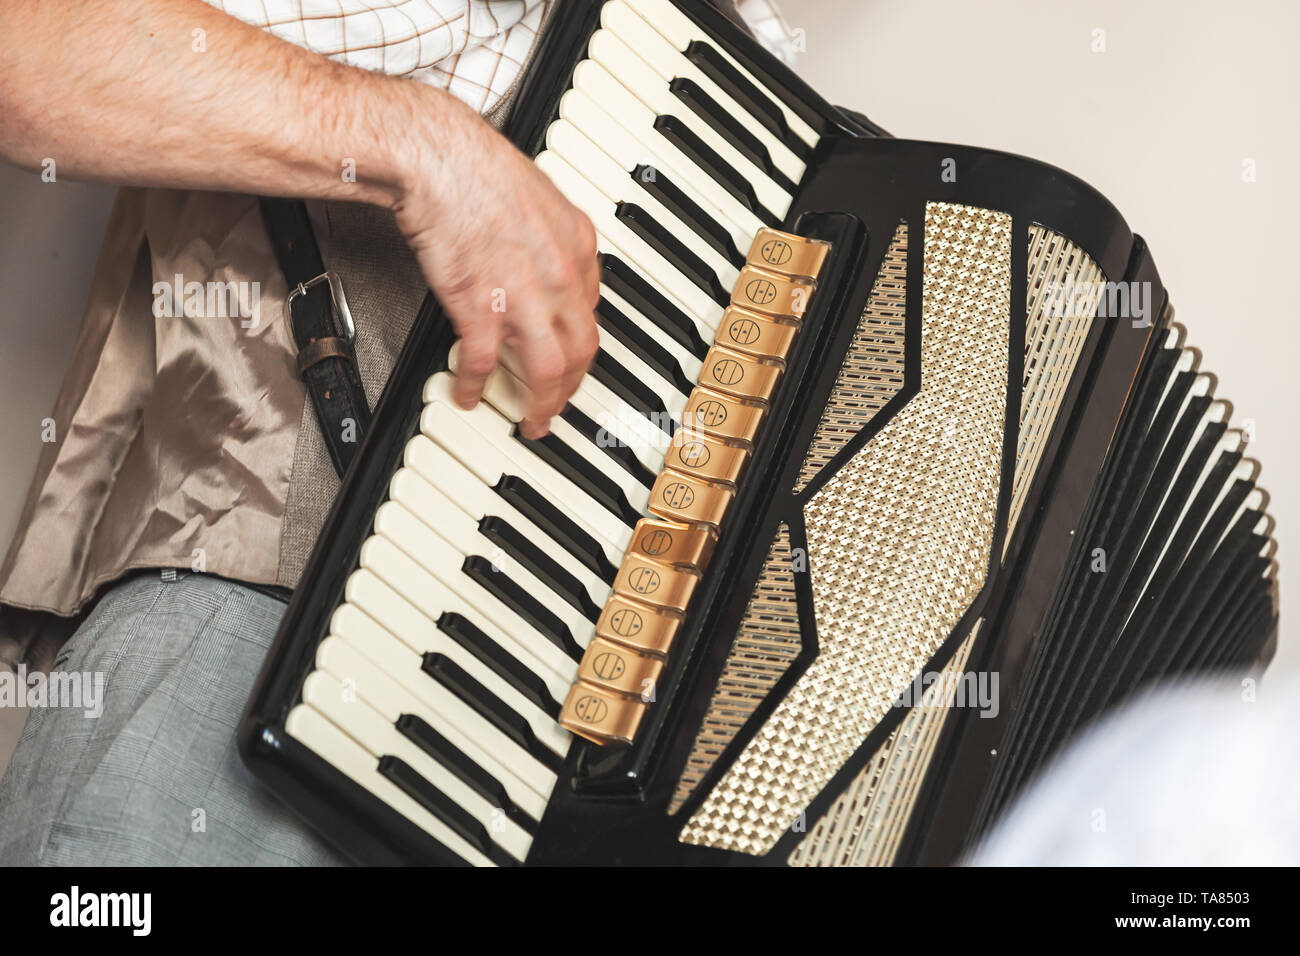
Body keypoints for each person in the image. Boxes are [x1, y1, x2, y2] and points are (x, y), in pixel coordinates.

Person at [0, 0, 791, 865]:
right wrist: (424, 147)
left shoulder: (740, 50)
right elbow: (28, 44)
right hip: (265, 616)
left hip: (512, 717)